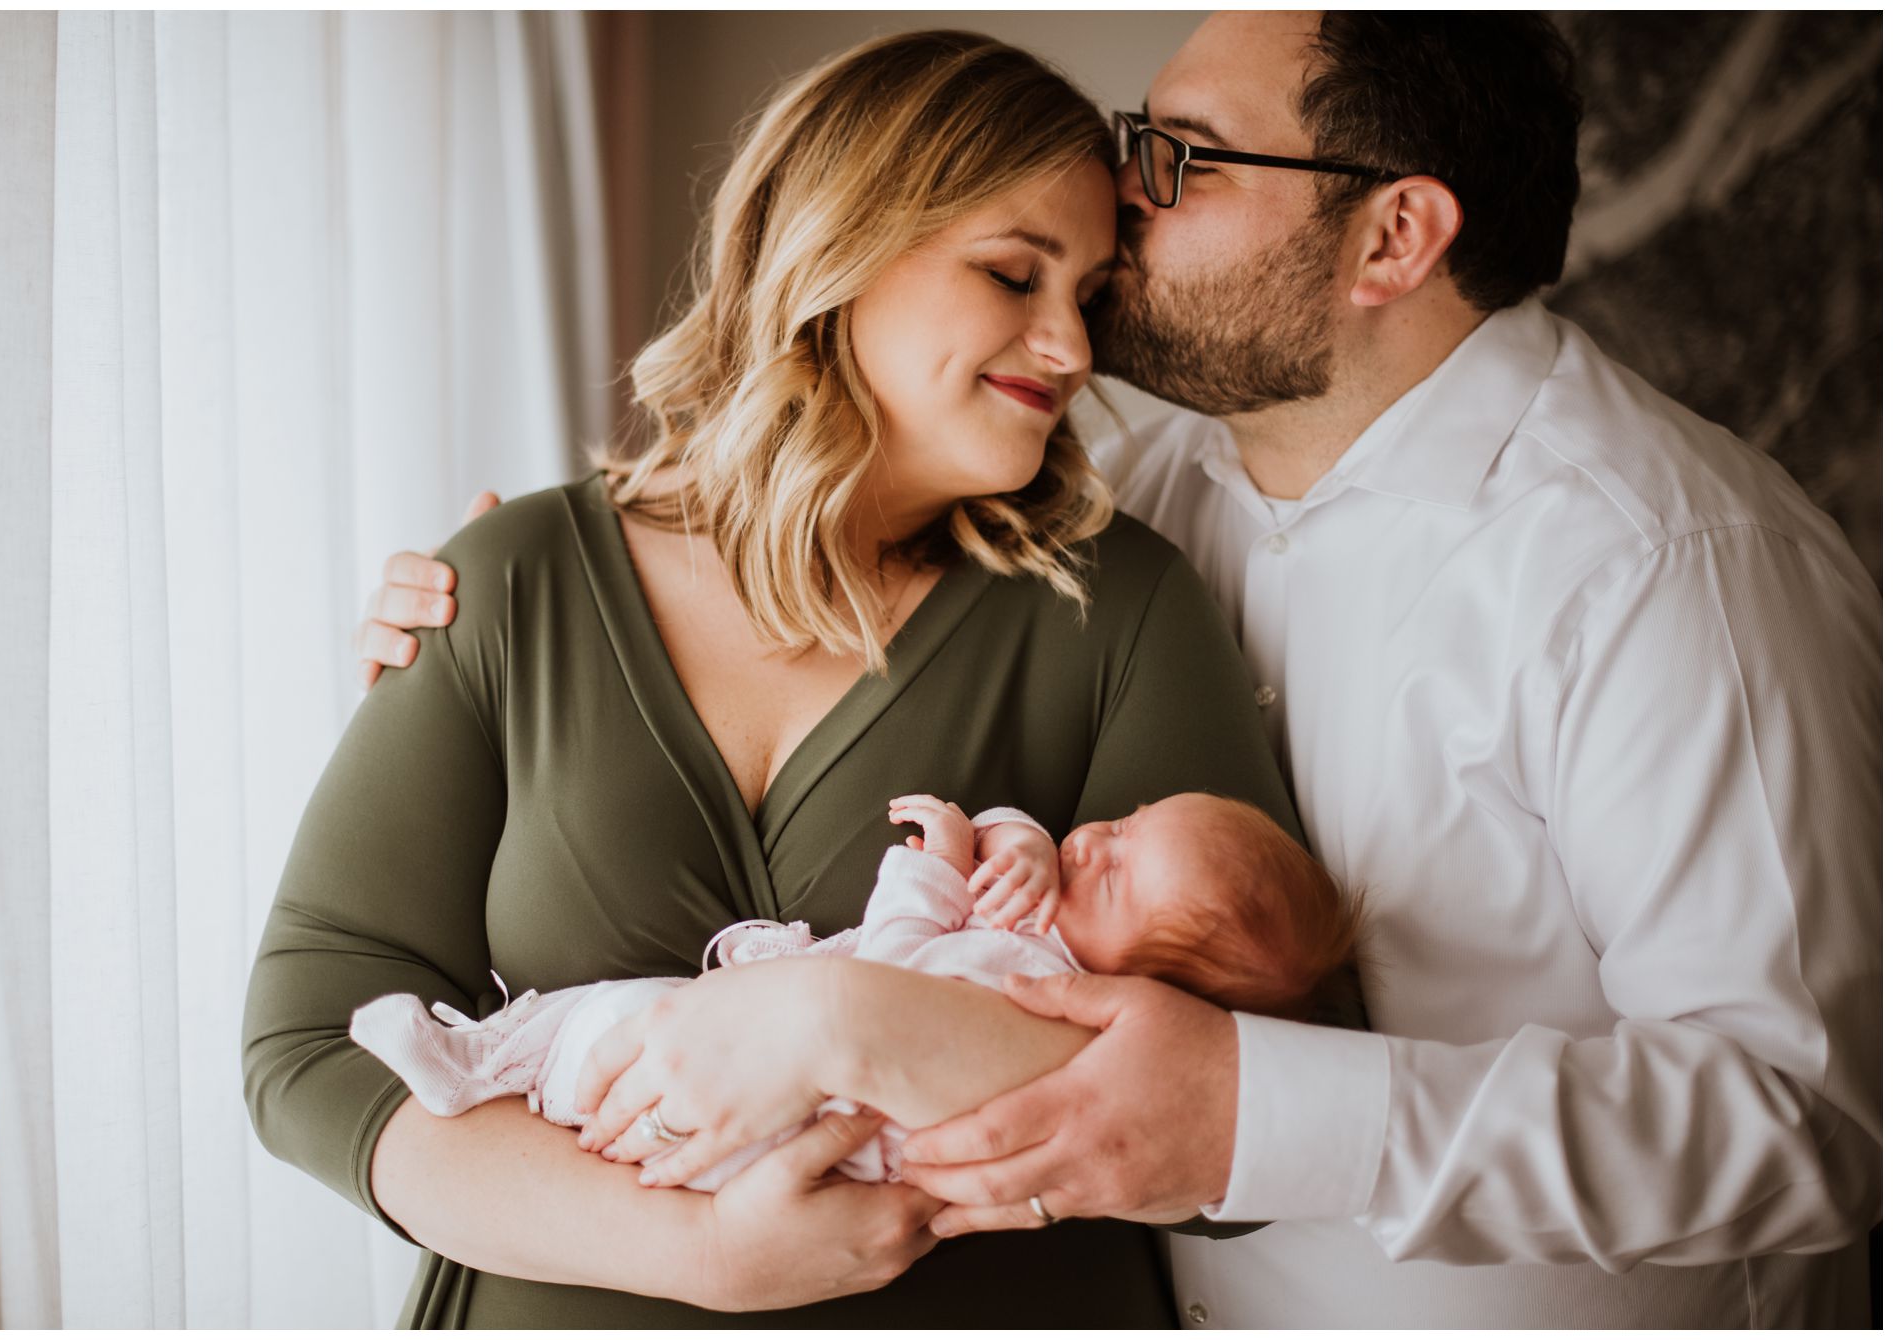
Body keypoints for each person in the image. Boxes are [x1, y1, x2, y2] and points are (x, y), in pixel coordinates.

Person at [360, 13, 1881, 1329]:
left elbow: (1816, 1124)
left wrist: (1245, 1111)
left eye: (1184, 158)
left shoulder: (1666, 562)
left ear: (1393, 236)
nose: (1124, 190)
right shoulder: (1135, 505)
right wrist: (505, 618)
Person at [242, 29, 1304, 1328]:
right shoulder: (514, 579)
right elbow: (308, 1050)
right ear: (834, 250)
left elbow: (1257, 1097)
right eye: (1013, 273)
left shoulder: (1119, 607)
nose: (1070, 347)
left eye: (1086, 296)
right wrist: (697, 1252)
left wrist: (847, 1018)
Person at [347, 791, 1356, 1191]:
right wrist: (1018, 838)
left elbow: (892, 977)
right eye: (1126, 820)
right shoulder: (1052, 923)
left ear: (1144, 982)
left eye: (1116, 874)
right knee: (638, 1019)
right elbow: (1036, 837)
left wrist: (935, 861)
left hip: (792, 1128)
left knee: (626, 1018)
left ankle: (488, 1063)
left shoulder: (1030, 985)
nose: (1094, 840)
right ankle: (497, 1064)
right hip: (780, 1107)